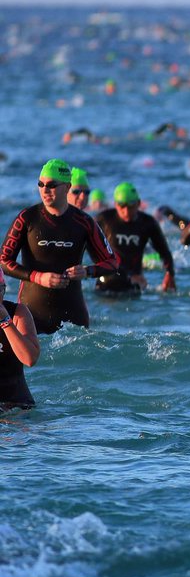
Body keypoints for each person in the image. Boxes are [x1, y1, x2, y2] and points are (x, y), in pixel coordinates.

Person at [0, 159, 121, 333]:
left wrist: (87, 271)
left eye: (51, 185)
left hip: (74, 320)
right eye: (41, 184)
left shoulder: (84, 222)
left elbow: (112, 262)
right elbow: (4, 260)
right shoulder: (27, 218)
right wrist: (37, 277)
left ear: (67, 187)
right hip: (31, 316)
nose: (45, 190)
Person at [95, 182, 176, 295]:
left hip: (134, 284)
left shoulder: (147, 223)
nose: (126, 211)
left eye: (131, 206)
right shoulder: (104, 219)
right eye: (122, 206)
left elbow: (164, 251)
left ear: (138, 203)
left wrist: (170, 274)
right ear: (115, 204)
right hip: (107, 282)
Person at [0, 274, 41, 410]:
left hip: (17, 405)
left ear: (4, 290)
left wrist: (6, 322)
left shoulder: (17, 313)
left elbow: (30, 359)